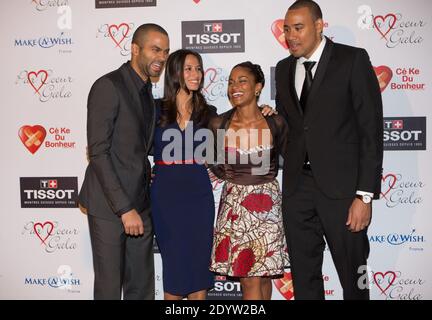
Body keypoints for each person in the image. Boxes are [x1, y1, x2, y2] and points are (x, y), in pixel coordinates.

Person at [275, 0, 383, 300]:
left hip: (344, 191)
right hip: (297, 189)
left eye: (298, 28)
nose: (291, 36)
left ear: (319, 26)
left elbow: (370, 131)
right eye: (286, 29)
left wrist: (365, 195)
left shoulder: (352, 60)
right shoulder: (283, 69)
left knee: (354, 276)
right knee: (304, 275)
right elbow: (291, 128)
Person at [79, 23, 170, 300]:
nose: (162, 58)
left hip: (140, 204)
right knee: (109, 288)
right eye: (155, 49)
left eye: (166, 52)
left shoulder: (147, 93)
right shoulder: (108, 86)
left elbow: (143, 147)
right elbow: (98, 153)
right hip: (110, 207)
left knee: (141, 288)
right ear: (134, 49)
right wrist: (124, 209)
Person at [209, 62, 289, 300]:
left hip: (268, 208)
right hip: (236, 208)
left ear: (258, 87)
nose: (235, 86)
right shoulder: (218, 124)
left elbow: (292, 161)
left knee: (263, 279)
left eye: (242, 81)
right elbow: (214, 165)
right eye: (231, 82)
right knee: (250, 278)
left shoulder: (275, 122)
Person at [151, 49, 217, 300]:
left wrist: (263, 110)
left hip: (198, 195)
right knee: (175, 263)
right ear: (175, 73)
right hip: (166, 197)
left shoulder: (208, 112)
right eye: (189, 68)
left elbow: (225, 146)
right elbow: (135, 147)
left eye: (198, 68)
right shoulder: (155, 110)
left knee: (199, 263)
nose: (196, 74)